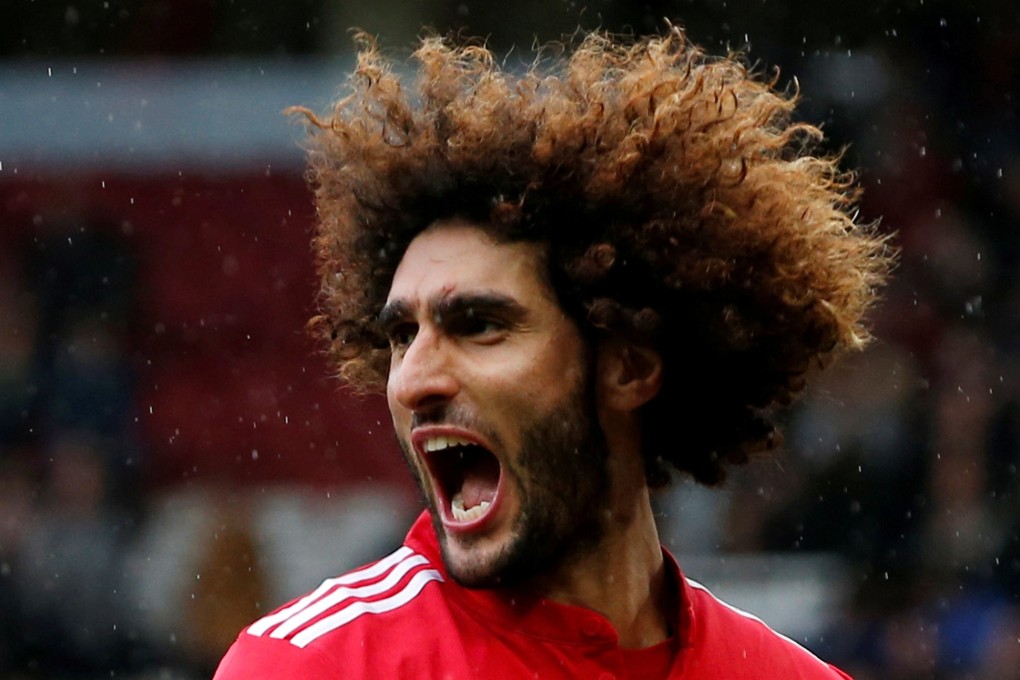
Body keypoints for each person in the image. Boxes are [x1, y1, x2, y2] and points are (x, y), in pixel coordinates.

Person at [214, 26, 892, 679]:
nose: (412, 379)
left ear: (628, 365)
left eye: (478, 325)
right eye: (401, 336)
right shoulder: (312, 668)